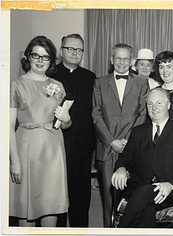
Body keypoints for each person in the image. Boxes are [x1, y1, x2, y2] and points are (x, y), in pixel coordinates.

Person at [111, 88, 173, 228]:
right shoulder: (138, 131)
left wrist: (170, 185)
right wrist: (121, 168)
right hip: (140, 188)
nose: (154, 107)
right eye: (150, 104)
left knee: (143, 193)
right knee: (147, 207)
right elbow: (126, 157)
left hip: (169, 192)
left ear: (168, 105)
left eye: (159, 103)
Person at [9, 36, 71, 227]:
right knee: (26, 209)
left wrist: (67, 119)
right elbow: (8, 127)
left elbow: (63, 124)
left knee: (50, 205)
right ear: (28, 57)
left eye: (45, 57)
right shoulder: (16, 85)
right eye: (36, 55)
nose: (40, 60)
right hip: (27, 151)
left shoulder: (58, 86)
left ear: (51, 61)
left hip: (53, 152)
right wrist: (15, 161)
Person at [92, 43, 149, 227]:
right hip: (107, 147)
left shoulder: (141, 82)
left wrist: (129, 141)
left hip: (132, 148)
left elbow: (143, 114)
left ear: (132, 61)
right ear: (111, 60)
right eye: (118, 58)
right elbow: (96, 115)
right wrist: (111, 141)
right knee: (109, 198)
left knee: (133, 195)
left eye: (126, 59)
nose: (122, 62)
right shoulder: (99, 83)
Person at [54, 34, 96, 227]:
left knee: (82, 196)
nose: (75, 53)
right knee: (59, 195)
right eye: (70, 49)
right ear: (61, 50)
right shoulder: (51, 74)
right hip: (58, 145)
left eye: (79, 50)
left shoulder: (90, 76)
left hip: (83, 147)